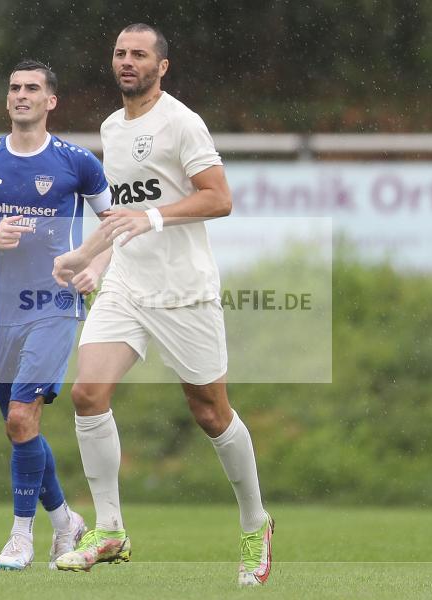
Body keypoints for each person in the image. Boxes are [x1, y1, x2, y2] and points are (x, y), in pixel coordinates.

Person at [51, 24, 274, 586]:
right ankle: (111, 530)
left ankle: (255, 523)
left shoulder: (181, 122)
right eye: (121, 53)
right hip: (128, 283)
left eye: (140, 55)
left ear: (162, 66)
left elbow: (219, 198)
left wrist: (152, 218)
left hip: (183, 289)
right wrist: (86, 257)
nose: (127, 62)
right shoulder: (111, 127)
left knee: (209, 411)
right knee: (87, 392)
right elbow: (121, 213)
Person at [0, 60, 113, 571]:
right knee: (21, 429)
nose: (21, 95)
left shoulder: (78, 162)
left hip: (55, 305)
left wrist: (94, 267)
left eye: (32, 88)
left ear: (50, 101)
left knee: (21, 416)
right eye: (15, 88)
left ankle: (21, 537)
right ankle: (66, 523)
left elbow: (114, 227)